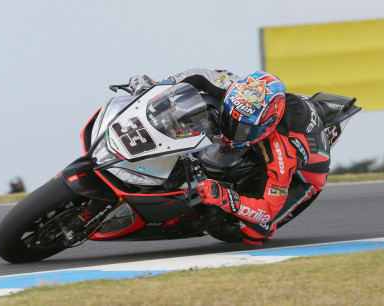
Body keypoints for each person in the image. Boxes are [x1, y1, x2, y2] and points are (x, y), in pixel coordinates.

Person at [128, 69, 330, 246]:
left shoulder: (282, 153)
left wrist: (226, 198)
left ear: (265, 126)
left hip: (303, 176)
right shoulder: (236, 91)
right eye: (229, 118)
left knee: (256, 232)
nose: (231, 130)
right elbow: (197, 75)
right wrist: (157, 88)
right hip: (263, 131)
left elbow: (267, 210)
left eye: (241, 129)